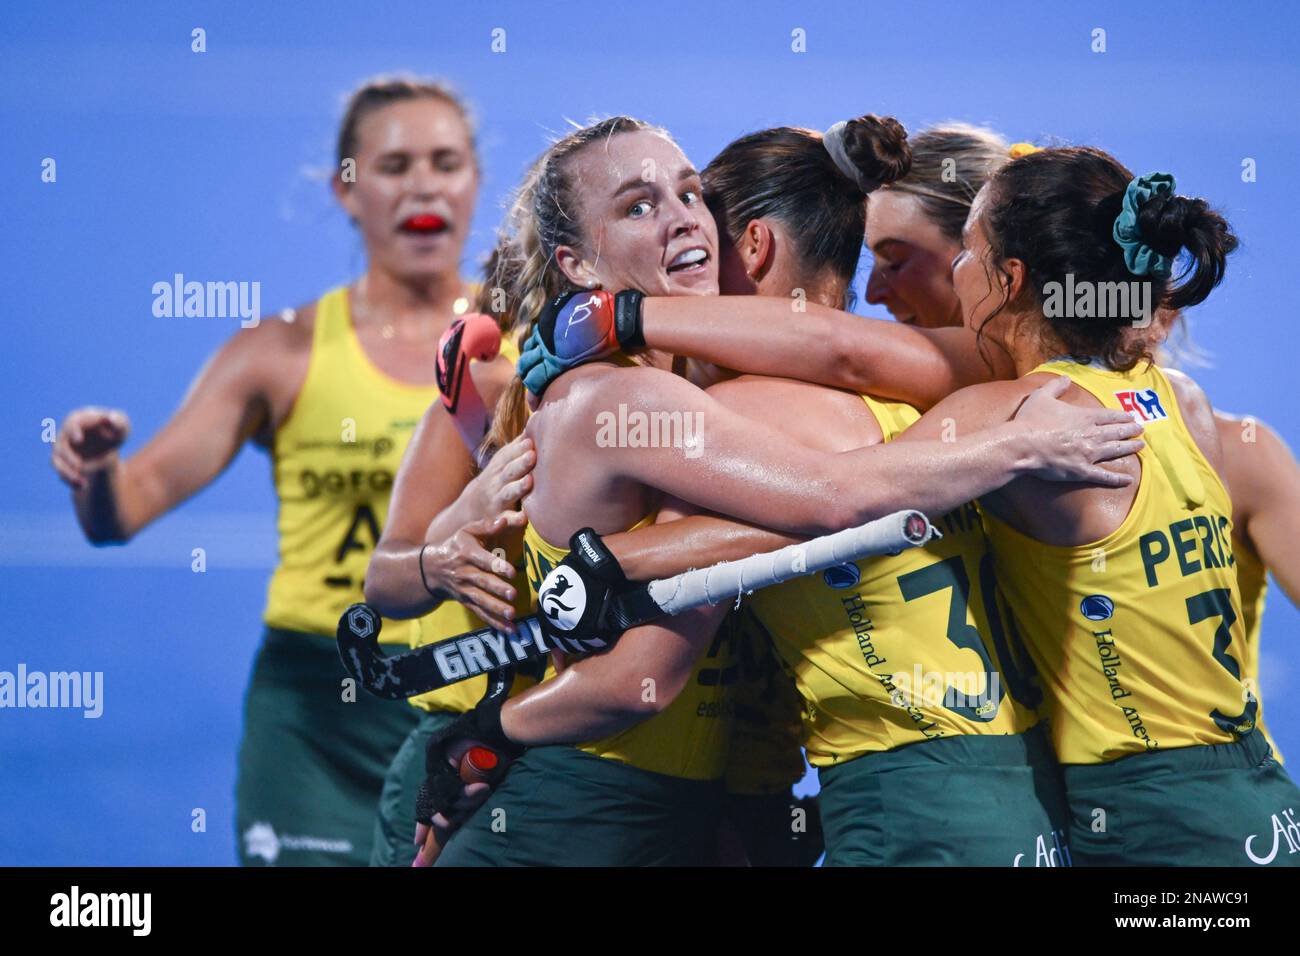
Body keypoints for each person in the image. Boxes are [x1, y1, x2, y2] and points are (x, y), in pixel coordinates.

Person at [417, 115, 1141, 867]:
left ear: (753, 246)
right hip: (1024, 795)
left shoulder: (732, 421)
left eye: (694, 199)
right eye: (641, 206)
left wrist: (488, 728)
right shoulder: (970, 389)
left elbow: (648, 672)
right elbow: (850, 406)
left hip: (838, 799)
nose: (680, 223)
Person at [50, 75, 486, 865]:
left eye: (445, 161)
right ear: (346, 192)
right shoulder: (276, 355)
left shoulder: (531, 346)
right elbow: (125, 511)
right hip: (317, 712)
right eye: (393, 166)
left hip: (469, 698)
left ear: (476, 180)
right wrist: (97, 472)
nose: (423, 183)